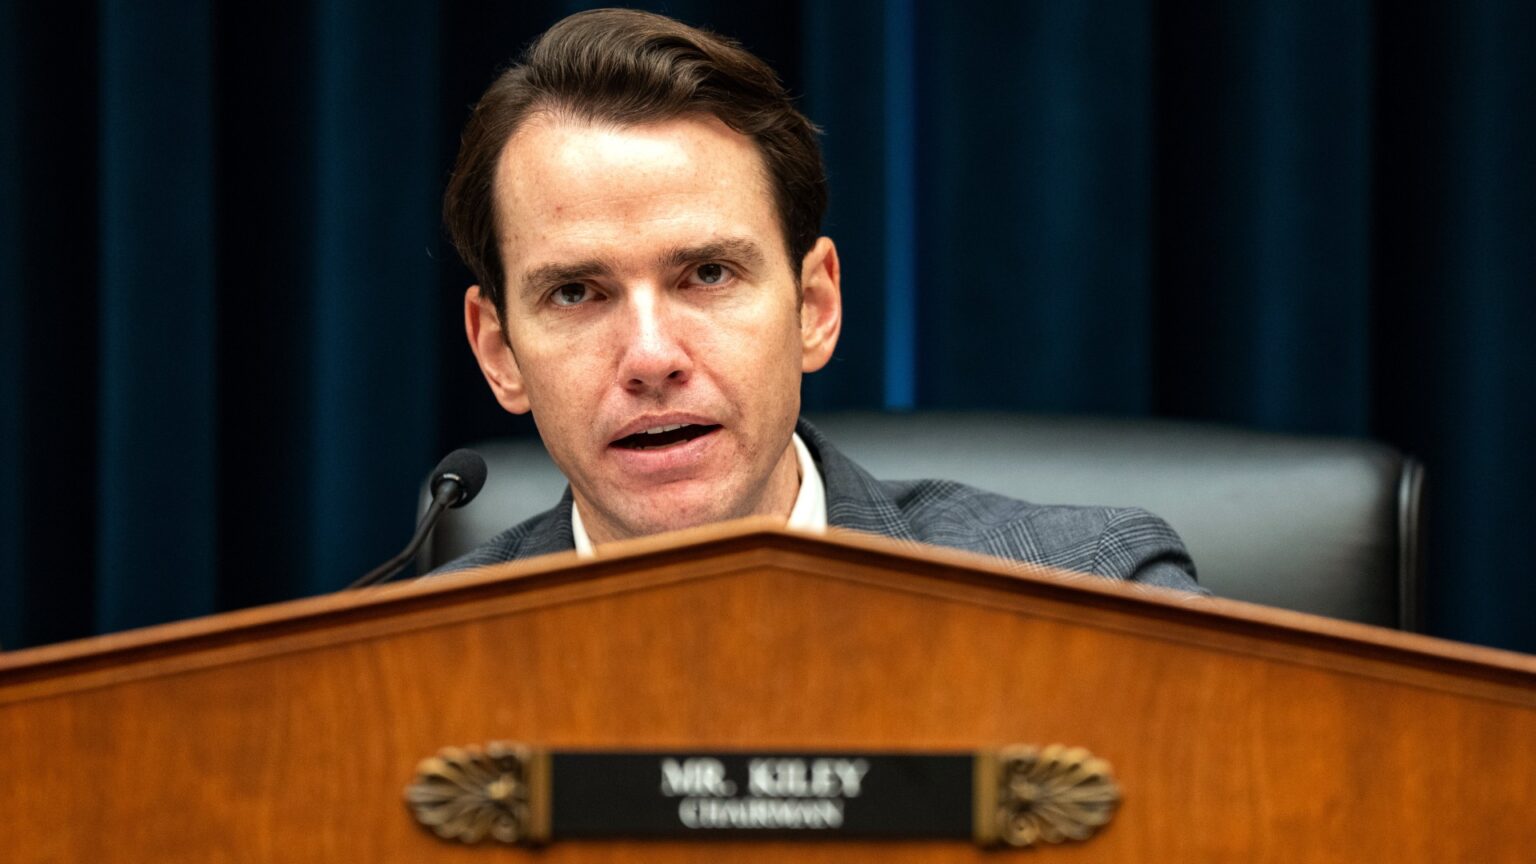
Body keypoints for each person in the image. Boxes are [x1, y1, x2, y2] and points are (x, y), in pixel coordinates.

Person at [438, 8, 1201, 592]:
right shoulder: (404, 671)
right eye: (576, 292)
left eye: (707, 275)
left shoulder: (1090, 594)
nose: (650, 358)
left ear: (814, 306)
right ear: (499, 354)